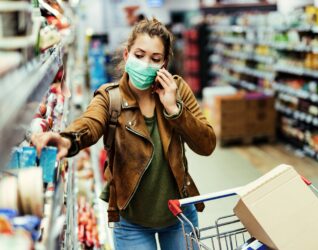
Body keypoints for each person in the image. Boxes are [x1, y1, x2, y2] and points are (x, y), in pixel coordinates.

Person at [31, 18, 216, 249]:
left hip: (179, 216)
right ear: (127, 55)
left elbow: (207, 145)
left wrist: (174, 110)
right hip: (132, 224)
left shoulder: (177, 91)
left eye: (155, 59)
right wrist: (67, 139)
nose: (146, 63)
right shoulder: (111, 98)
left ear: (164, 64)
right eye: (139, 55)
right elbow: (91, 123)